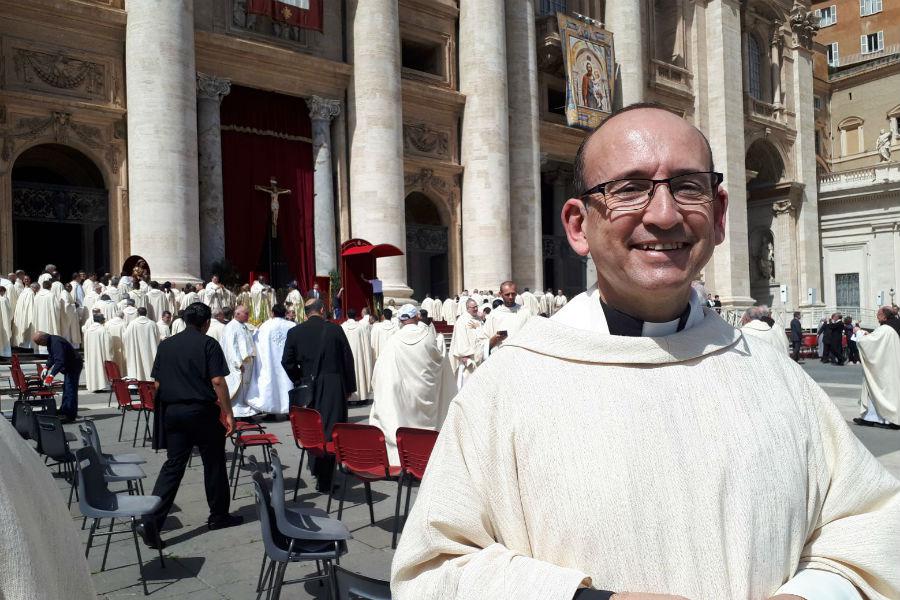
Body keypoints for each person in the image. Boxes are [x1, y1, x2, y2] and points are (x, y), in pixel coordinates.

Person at [392, 104, 900, 599]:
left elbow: (868, 523)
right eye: (630, 189)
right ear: (577, 226)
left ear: (720, 215)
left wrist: (813, 594)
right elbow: (433, 571)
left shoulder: (776, 374)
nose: (664, 215)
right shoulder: (507, 386)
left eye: (688, 187)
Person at [140, 302, 242, 549]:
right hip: (201, 411)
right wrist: (229, 413)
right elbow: (217, 380)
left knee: (173, 466)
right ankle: (218, 515)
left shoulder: (166, 345)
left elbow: (157, 384)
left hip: (174, 412)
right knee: (214, 462)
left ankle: (152, 520)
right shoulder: (208, 344)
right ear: (206, 323)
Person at [281, 298, 356, 491]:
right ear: (322, 310)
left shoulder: (295, 332)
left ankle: (315, 467)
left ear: (306, 312)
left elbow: (286, 361)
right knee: (331, 428)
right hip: (333, 384)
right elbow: (347, 359)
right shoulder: (334, 330)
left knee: (311, 427)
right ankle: (325, 478)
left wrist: (299, 379)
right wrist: (349, 387)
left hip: (308, 384)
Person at [369, 304, 456, 464]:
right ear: (417, 317)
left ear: (401, 320)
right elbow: (438, 358)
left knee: (402, 420)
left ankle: (404, 458)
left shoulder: (394, 340)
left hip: (403, 394)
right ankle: (426, 456)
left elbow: (380, 370)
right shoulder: (428, 336)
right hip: (425, 392)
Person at [853, 306, 900, 430]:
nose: (877, 316)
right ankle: (870, 418)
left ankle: (887, 419)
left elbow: (869, 344)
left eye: (879, 314)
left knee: (879, 391)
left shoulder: (885, 329)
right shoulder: (894, 325)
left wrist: (859, 332)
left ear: (885, 316)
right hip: (890, 364)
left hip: (883, 368)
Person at [246, 303, 295, 415]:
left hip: (269, 360)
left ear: (272, 313)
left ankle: (271, 410)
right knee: (286, 382)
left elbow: (256, 342)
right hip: (287, 361)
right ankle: (289, 409)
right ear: (285, 313)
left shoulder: (265, 326)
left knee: (270, 382)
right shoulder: (291, 325)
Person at [32, 331, 82, 422]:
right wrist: (46, 367)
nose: (40, 345)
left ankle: (70, 415)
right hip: (70, 366)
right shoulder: (51, 342)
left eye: (39, 343)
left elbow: (59, 361)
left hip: (73, 366)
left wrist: (51, 375)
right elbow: (52, 357)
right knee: (66, 388)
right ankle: (64, 410)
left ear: (43, 339)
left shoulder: (56, 342)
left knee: (70, 389)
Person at [220, 305, 258, 418]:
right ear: (237, 314)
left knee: (246, 389)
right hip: (240, 363)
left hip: (248, 362)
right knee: (239, 389)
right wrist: (238, 363)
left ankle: (247, 412)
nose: (248, 316)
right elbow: (231, 347)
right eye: (246, 313)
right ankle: (238, 413)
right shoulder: (231, 327)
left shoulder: (243, 326)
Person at [480, 281, 530, 357]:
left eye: (513, 294)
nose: (511, 297)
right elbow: (483, 341)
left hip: (521, 356)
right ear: (500, 294)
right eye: (507, 294)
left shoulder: (525, 312)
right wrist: (495, 338)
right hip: (500, 357)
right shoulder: (494, 315)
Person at [340, 308, 374, 402]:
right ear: (356, 316)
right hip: (359, 356)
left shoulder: (342, 327)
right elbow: (366, 345)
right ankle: (361, 397)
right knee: (360, 373)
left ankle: (349, 398)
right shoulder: (361, 327)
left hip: (346, 356)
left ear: (347, 316)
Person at [449, 299, 484, 389]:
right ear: (468, 308)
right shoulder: (462, 320)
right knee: (467, 384)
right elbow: (460, 337)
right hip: (469, 358)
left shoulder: (478, 319)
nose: (476, 309)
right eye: (473, 307)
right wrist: (464, 355)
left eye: (476, 306)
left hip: (479, 355)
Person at [123, 306, 160, 380]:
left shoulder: (132, 324)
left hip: (136, 351)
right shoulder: (152, 324)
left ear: (137, 313)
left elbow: (125, 337)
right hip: (150, 350)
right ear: (146, 313)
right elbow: (158, 337)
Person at [83, 314, 112, 392]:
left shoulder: (88, 330)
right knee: (101, 368)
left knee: (93, 369)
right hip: (101, 354)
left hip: (91, 355)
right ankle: (102, 385)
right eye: (103, 318)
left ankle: (94, 386)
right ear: (101, 320)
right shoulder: (103, 330)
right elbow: (108, 343)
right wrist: (109, 356)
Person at [33, 280, 60, 354]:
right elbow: (57, 308)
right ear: (51, 286)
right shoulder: (51, 295)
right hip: (49, 320)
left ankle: (39, 351)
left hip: (39, 320)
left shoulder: (37, 295)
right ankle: (47, 351)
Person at [11, 282, 36, 349]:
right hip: (27, 315)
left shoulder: (22, 293)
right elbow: (32, 307)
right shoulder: (31, 293)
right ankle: (27, 346)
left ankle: (21, 345)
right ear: (34, 288)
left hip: (20, 315)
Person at [0, 287, 11, 359]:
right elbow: (9, 311)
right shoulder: (4, 300)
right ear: (2, 291)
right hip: (4, 322)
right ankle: (4, 353)